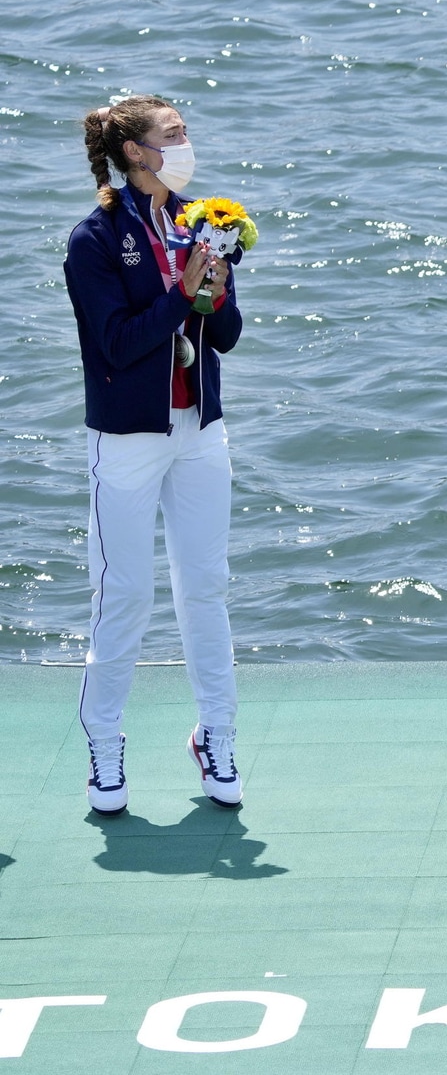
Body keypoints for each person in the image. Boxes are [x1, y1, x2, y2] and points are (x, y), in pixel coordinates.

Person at [65, 95, 246, 814]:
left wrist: (215, 293)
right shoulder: (95, 238)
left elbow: (225, 336)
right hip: (127, 439)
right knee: (126, 594)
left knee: (205, 585)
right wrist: (180, 293)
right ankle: (105, 742)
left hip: (199, 430)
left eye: (185, 131)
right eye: (172, 134)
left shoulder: (201, 221)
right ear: (136, 152)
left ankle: (217, 733)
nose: (186, 143)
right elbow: (115, 343)